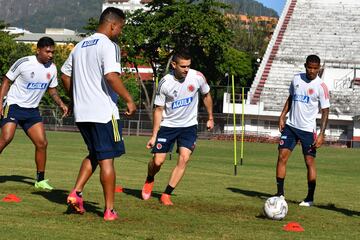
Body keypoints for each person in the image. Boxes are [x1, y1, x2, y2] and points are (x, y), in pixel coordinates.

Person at [61, 7, 136, 221]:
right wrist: (129, 99)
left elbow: (65, 75)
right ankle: (109, 210)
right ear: (113, 25)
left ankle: (76, 192)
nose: (119, 32)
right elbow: (111, 76)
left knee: (95, 153)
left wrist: (76, 98)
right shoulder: (108, 45)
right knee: (107, 160)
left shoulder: (79, 46)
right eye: (120, 28)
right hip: (104, 113)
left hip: (82, 114)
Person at [141, 50, 214, 206]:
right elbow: (159, 109)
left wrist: (210, 117)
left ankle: (166, 194)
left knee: (184, 158)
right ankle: (149, 178)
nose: (186, 69)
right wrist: (154, 135)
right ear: (174, 65)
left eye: (188, 66)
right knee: (158, 162)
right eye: (183, 66)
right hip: (168, 126)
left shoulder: (198, 77)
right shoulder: (165, 83)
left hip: (189, 126)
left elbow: (206, 95)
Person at [0, 37, 68, 190]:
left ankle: (40, 180)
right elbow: (6, 80)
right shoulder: (24, 62)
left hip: (32, 111)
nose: (50, 55)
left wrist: (61, 103)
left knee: (42, 143)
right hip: (14, 105)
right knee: (6, 138)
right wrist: (0, 102)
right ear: (38, 50)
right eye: (47, 51)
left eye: (52, 52)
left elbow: (52, 90)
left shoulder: (52, 68)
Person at [275, 54, 330, 207]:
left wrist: (321, 134)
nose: (312, 71)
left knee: (309, 162)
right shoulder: (296, 79)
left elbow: (325, 111)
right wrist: (282, 116)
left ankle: (309, 198)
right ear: (305, 65)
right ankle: (279, 194)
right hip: (291, 126)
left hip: (308, 130)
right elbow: (291, 98)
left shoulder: (321, 86)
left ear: (319, 68)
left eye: (315, 68)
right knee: (282, 157)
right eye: (310, 67)